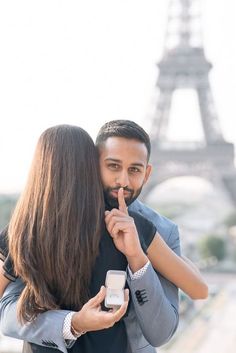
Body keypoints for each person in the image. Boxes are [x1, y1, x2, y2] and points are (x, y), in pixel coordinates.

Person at [0, 121, 208, 353]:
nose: (123, 182)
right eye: (113, 166)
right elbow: (8, 313)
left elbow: (196, 291)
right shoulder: (33, 227)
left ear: (147, 173)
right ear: (92, 165)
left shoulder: (151, 229)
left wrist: (137, 256)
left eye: (134, 170)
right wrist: (73, 323)